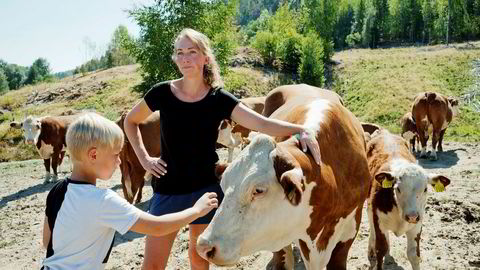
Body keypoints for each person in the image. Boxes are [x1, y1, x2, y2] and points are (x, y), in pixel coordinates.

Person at [123, 28, 321, 270]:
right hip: (168, 189)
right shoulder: (162, 93)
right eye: (180, 52)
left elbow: (260, 123)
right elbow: (130, 121)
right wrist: (144, 159)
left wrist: (300, 129)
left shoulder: (219, 98)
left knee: (199, 260)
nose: (185, 58)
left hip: (205, 189)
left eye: (192, 52)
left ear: (205, 57)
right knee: (152, 266)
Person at [41, 113, 218, 270]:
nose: (119, 162)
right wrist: (196, 210)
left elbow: (46, 242)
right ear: (93, 155)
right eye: (116, 155)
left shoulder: (57, 191)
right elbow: (157, 227)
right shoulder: (102, 200)